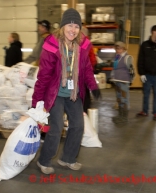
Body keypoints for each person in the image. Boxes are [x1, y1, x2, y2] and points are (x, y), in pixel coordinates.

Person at [32, 8, 101, 174]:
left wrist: (93, 86)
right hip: (55, 94)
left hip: (73, 93)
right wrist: (36, 102)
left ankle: (68, 158)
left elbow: (86, 69)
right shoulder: (51, 45)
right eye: (69, 25)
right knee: (55, 129)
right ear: (62, 27)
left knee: (78, 126)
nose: (73, 30)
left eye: (76, 26)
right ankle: (44, 160)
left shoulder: (82, 45)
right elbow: (43, 76)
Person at [136, 25, 156, 121]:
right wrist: (141, 73)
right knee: (146, 94)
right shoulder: (145, 45)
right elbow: (140, 60)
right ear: (153, 32)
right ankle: (145, 111)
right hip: (147, 75)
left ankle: (155, 113)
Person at [111, 41, 132, 124]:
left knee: (124, 99)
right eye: (116, 48)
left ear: (123, 48)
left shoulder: (128, 57)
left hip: (124, 81)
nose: (117, 50)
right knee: (119, 98)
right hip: (117, 80)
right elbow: (114, 68)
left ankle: (124, 117)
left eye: (119, 48)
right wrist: (113, 77)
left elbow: (131, 70)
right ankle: (120, 115)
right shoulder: (116, 57)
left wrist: (130, 80)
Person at [81, 26, 97, 113]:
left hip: (84, 71)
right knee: (86, 90)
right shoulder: (88, 42)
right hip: (88, 70)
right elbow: (93, 59)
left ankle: (84, 109)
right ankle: (85, 108)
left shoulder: (83, 43)